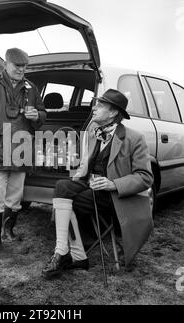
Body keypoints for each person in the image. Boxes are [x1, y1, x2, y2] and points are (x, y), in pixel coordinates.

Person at [42, 89, 154, 278]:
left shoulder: (135, 138)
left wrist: (113, 184)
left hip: (116, 196)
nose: (93, 108)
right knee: (62, 187)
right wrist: (78, 174)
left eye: (100, 105)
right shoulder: (94, 133)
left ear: (113, 113)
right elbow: (88, 164)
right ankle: (63, 251)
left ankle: (75, 255)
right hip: (90, 185)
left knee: (69, 204)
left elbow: (145, 177)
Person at [0, 47, 46, 253]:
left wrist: (37, 117)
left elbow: (43, 113)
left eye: (24, 66)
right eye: (17, 66)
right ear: (6, 64)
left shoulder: (31, 87)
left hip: (22, 148)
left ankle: (9, 230)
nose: (21, 70)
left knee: (15, 195)